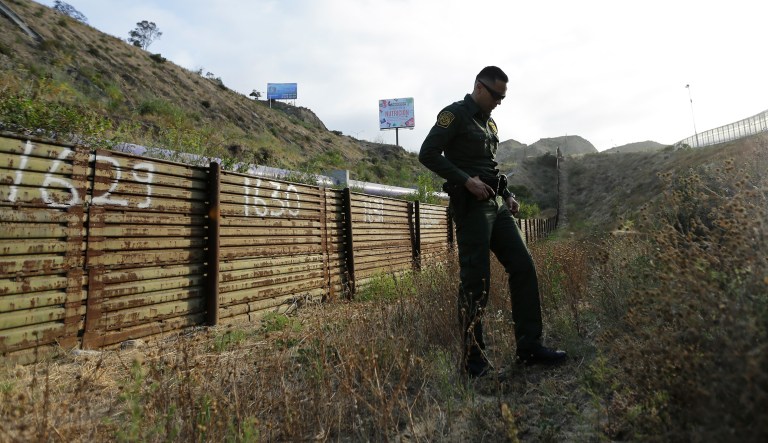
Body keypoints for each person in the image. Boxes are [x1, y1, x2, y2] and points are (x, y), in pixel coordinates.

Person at [418, 66, 566, 378]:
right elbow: (427, 153)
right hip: (470, 205)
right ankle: (473, 363)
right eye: (496, 95)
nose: (499, 101)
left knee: (523, 266)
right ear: (480, 87)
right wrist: (465, 180)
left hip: (496, 205)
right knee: (476, 283)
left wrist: (508, 194)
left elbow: (490, 165)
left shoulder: (490, 123)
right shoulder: (454, 115)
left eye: (503, 97)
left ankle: (529, 348)